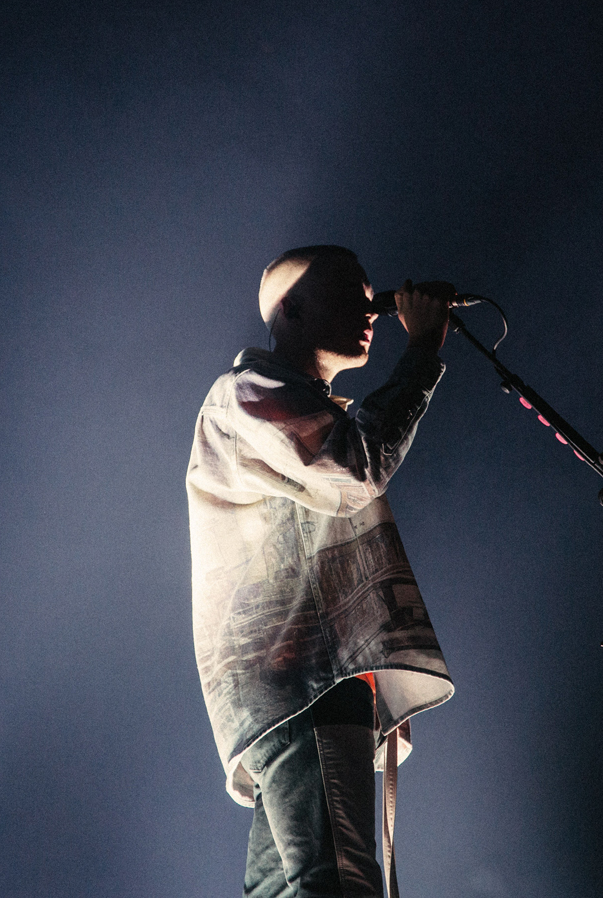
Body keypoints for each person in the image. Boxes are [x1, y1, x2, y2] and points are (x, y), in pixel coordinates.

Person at [186, 245, 456, 897]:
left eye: (371, 296)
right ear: (292, 309)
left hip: (297, 691)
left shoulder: (289, 406)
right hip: (309, 685)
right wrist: (422, 351)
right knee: (337, 882)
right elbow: (355, 467)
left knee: (294, 889)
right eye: (348, 295)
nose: (372, 310)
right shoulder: (246, 396)